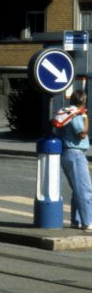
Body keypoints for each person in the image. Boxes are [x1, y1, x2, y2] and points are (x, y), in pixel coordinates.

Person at [56, 90, 92, 231]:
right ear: (83, 101)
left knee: (77, 190)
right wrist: (86, 118)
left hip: (67, 153)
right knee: (85, 189)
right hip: (76, 154)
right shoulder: (76, 114)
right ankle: (87, 221)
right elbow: (82, 134)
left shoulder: (66, 112)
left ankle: (75, 221)